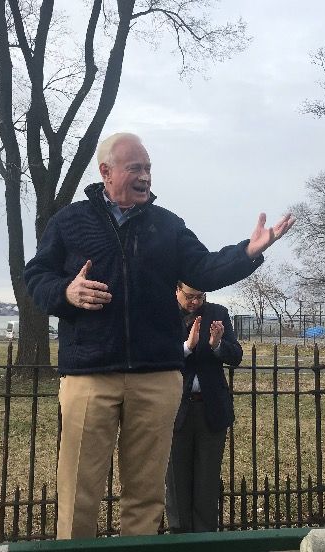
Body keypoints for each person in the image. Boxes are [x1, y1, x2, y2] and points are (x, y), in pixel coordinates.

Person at [23, 132, 294, 539]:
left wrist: (247, 252)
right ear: (106, 172)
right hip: (89, 375)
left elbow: (203, 268)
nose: (145, 176)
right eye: (135, 168)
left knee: (146, 496)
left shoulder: (166, 224)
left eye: (148, 168)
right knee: (79, 492)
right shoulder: (71, 221)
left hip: (157, 376)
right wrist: (66, 291)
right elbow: (37, 276)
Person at [165, 282, 242, 533]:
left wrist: (217, 345)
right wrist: (187, 347)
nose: (195, 302)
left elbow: (236, 355)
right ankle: (180, 537)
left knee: (207, 481)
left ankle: (205, 538)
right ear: (177, 290)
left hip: (211, 409)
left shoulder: (218, 313)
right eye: (190, 296)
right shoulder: (162, 312)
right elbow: (156, 355)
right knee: (177, 482)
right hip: (175, 410)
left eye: (200, 297)